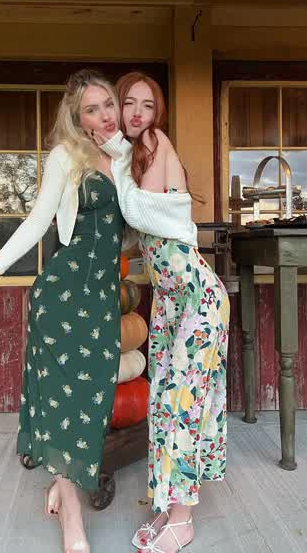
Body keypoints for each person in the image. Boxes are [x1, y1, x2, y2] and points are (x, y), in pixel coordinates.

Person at [0, 69, 127, 553]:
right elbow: (38, 221)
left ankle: (62, 477)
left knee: (93, 400)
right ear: (77, 117)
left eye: (108, 104)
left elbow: (145, 216)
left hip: (103, 298)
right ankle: (72, 517)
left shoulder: (126, 156)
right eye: (92, 109)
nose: (104, 115)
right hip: (63, 294)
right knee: (62, 398)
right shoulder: (66, 156)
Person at [96, 72, 230, 553]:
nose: (137, 113)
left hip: (197, 296)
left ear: (158, 114)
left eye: (147, 105)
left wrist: (114, 154)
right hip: (171, 301)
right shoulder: (134, 156)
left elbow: (140, 213)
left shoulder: (153, 141)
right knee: (161, 402)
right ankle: (168, 504)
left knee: (180, 402)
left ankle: (184, 519)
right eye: (128, 103)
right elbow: (134, 229)